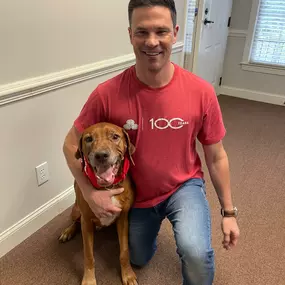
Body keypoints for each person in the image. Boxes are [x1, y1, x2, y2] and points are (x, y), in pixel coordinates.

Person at [62, 0, 240, 284]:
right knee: (138, 258)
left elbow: (216, 156)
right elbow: (70, 144)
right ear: (130, 34)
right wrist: (89, 192)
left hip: (184, 185)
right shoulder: (106, 93)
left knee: (195, 251)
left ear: (175, 33)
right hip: (138, 194)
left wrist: (228, 212)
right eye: (142, 32)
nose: (152, 42)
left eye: (161, 31)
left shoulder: (201, 92)